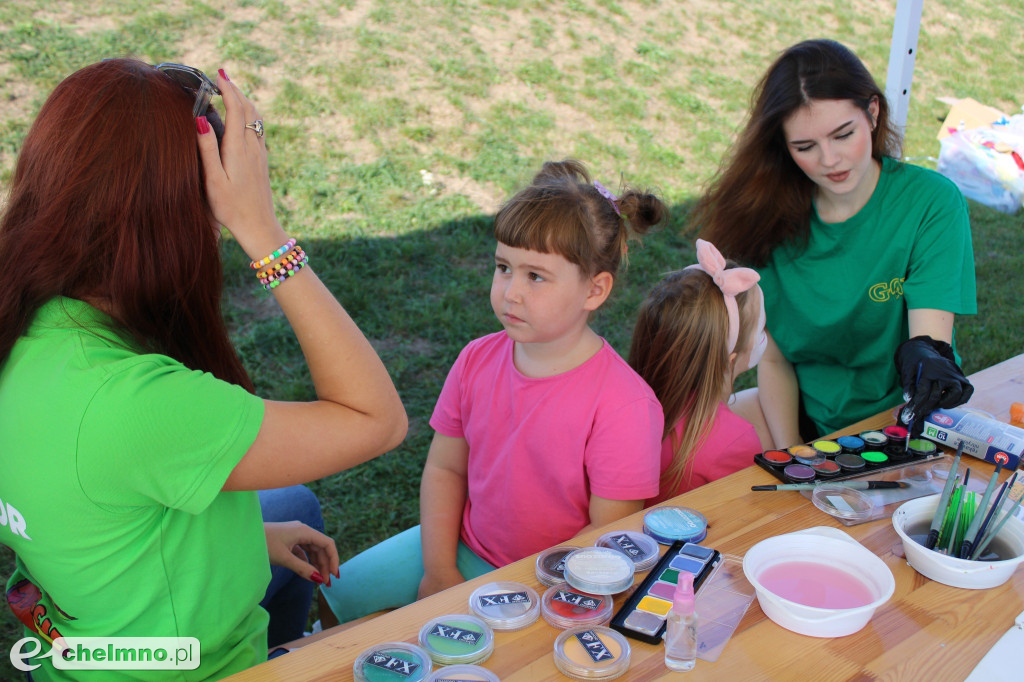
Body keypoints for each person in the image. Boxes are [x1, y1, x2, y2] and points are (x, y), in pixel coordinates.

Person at [0, 59, 407, 680]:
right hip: (185, 665)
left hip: (86, 631)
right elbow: (374, 419)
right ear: (172, 220)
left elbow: (91, 502)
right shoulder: (132, 402)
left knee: (291, 505)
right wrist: (263, 230)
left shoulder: (24, 321)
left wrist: (247, 545)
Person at [320, 160, 665, 624]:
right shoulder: (476, 359)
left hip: (550, 580)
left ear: (595, 290)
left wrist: (506, 595)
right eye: (504, 267)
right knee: (337, 594)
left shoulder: (625, 405)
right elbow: (445, 468)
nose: (510, 293)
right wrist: (440, 569)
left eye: (535, 276)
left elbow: (604, 540)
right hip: (458, 545)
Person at [692, 39, 976, 445]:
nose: (829, 160)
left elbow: (928, 345)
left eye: (843, 135)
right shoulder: (762, 220)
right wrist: (794, 456)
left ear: (873, 113)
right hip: (803, 413)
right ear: (782, 147)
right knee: (685, 440)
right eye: (805, 146)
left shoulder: (931, 202)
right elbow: (774, 358)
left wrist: (928, 362)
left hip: (907, 415)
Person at [631, 239, 771, 505]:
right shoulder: (734, 440)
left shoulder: (634, 407)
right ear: (729, 359)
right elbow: (744, 516)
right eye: (759, 327)